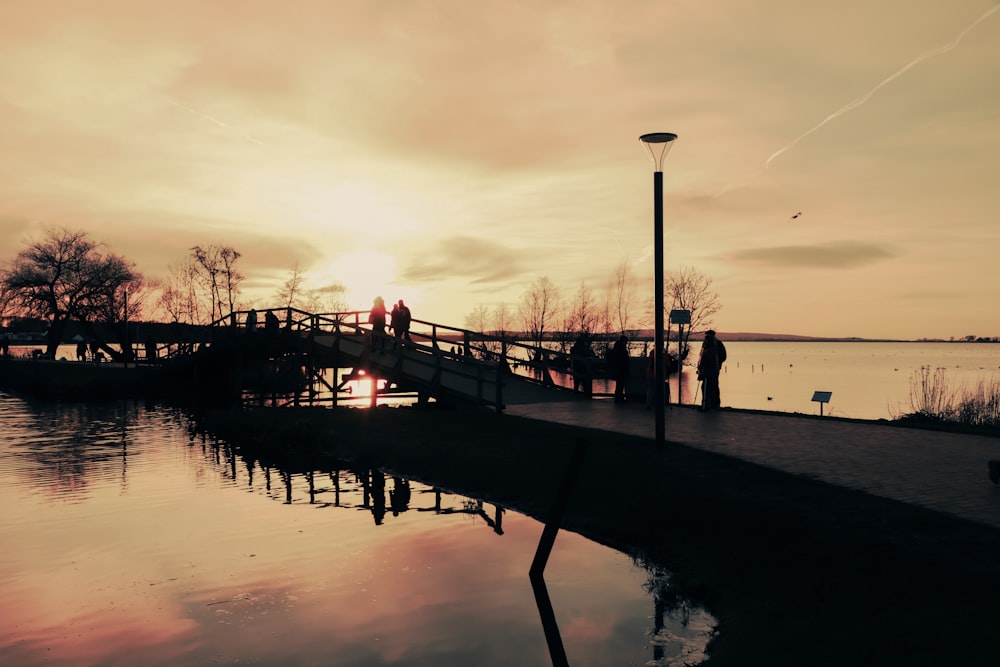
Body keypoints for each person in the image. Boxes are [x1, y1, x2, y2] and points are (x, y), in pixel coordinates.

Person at [697, 330, 727, 411]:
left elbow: (723, 356)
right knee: (707, 386)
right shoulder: (706, 344)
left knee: (711, 386)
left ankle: (712, 404)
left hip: (712, 369)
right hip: (709, 369)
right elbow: (701, 357)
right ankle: (708, 403)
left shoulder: (716, 344)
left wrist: (718, 363)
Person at [610, 335, 630, 403]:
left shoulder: (615, 349)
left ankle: (618, 398)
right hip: (621, 370)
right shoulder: (622, 350)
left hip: (616, 370)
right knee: (620, 385)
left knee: (618, 385)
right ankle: (619, 398)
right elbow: (625, 361)